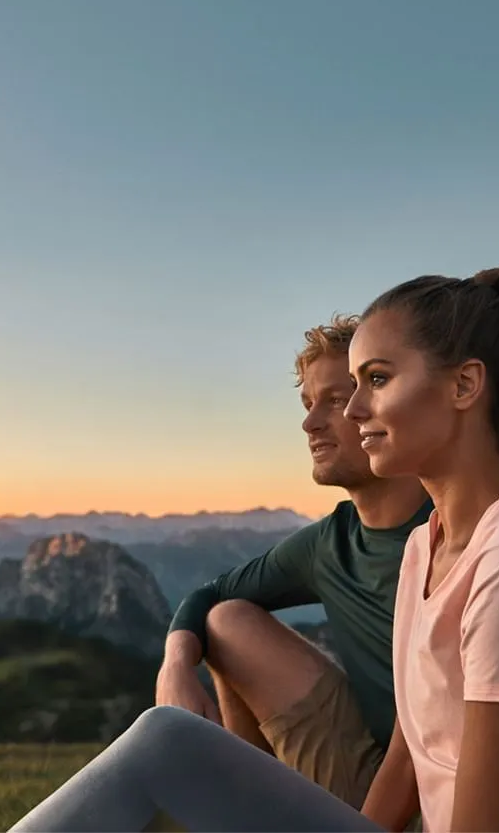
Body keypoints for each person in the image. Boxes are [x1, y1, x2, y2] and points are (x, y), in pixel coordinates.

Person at [9, 265, 499, 833]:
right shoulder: (423, 548)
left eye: (377, 380)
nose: (352, 411)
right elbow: (411, 758)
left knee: (165, 741)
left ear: (464, 385)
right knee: (178, 713)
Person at [156, 315, 431, 810]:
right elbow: (209, 596)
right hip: (374, 763)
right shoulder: (329, 543)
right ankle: (248, 812)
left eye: (334, 400)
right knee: (227, 620)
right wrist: (175, 667)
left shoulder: (453, 533)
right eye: (308, 404)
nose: (310, 424)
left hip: (440, 793)